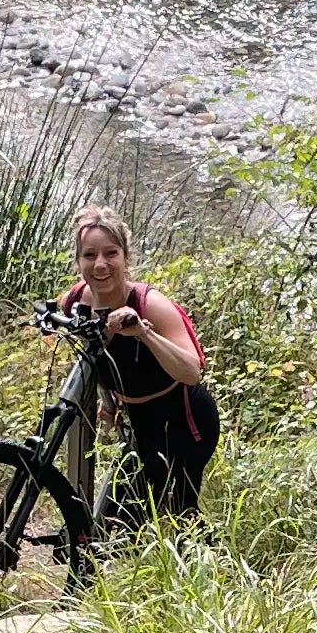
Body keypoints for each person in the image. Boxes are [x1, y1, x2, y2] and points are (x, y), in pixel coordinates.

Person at [63, 204, 219, 528]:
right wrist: (110, 404)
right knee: (121, 524)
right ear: (78, 261)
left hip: (185, 422)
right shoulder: (77, 303)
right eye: (90, 255)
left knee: (178, 519)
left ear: (125, 257)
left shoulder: (150, 304)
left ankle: (209, 569)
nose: (101, 264)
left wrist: (143, 333)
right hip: (140, 426)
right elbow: (95, 359)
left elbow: (192, 371)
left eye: (111, 253)